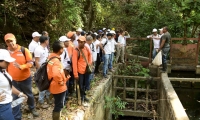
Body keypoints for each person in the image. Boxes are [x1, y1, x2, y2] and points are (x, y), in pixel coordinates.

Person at [4, 33, 39, 119]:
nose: (10, 43)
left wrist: (22, 66)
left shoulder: (24, 50)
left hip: (25, 79)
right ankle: (17, 115)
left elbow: (31, 62)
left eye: (11, 41)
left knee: (29, 94)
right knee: (15, 97)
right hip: (12, 80)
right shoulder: (6, 52)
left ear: (15, 40)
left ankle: (32, 108)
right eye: (7, 41)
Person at [0, 49, 28, 120]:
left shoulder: (3, 70)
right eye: (6, 62)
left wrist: (19, 94)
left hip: (8, 103)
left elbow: (9, 85)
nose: (9, 64)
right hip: (2, 106)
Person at [47, 40, 70, 120]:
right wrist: (61, 82)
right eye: (63, 48)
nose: (63, 50)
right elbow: (56, 74)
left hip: (52, 84)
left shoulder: (50, 57)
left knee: (57, 103)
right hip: (58, 87)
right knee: (59, 105)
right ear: (60, 49)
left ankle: (58, 116)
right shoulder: (56, 61)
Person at [72, 36, 92, 103]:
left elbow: (90, 55)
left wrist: (89, 63)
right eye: (79, 42)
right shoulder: (76, 51)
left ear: (84, 42)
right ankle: (80, 97)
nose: (80, 43)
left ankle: (84, 96)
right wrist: (75, 74)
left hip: (86, 70)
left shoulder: (86, 48)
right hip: (79, 71)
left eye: (81, 42)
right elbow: (74, 63)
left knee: (85, 84)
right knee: (80, 85)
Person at [34, 36, 51, 109]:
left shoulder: (45, 48)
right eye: (48, 40)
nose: (48, 42)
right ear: (45, 41)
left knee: (48, 83)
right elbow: (36, 61)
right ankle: (41, 101)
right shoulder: (38, 49)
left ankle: (48, 97)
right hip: (42, 70)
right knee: (42, 85)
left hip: (47, 69)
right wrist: (40, 71)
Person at [59, 36, 72, 102]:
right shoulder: (61, 51)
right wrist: (65, 71)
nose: (68, 42)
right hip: (64, 71)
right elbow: (60, 63)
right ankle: (64, 100)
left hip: (67, 70)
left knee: (67, 84)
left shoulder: (65, 50)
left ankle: (66, 97)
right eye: (67, 41)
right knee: (65, 85)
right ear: (63, 42)